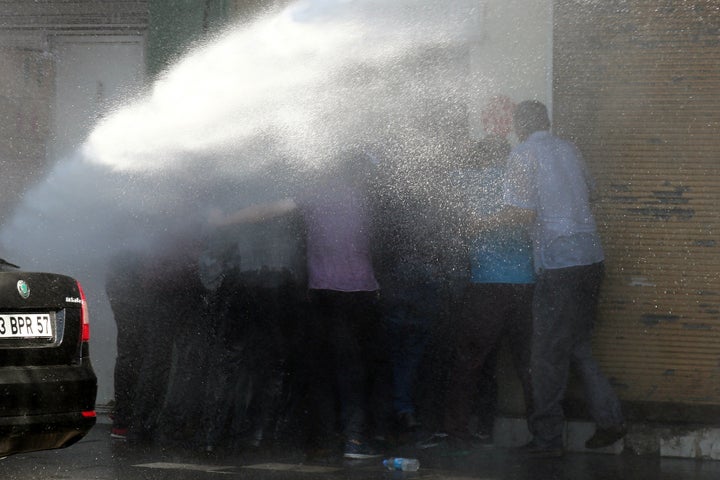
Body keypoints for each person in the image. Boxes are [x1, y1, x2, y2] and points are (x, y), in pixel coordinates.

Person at [209, 153, 388, 460]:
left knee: (324, 367)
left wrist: (224, 220)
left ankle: (326, 439)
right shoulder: (369, 200)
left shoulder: (316, 197)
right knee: (355, 368)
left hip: (322, 292)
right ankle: (355, 440)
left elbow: (265, 211)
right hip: (359, 294)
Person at [483, 100, 625, 457]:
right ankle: (610, 420)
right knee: (577, 345)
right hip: (591, 259)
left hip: (558, 264)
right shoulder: (570, 149)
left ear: (519, 125)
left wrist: (479, 223)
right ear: (546, 121)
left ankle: (547, 441)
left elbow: (520, 211)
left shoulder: (522, 155)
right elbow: (591, 194)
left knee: (545, 354)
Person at [439, 135, 535, 449]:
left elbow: (442, 177)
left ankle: (458, 432)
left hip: (486, 285)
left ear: (481, 159)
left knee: (469, 361)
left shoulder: (470, 181)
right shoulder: (518, 183)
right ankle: (543, 435)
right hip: (525, 284)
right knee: (528, 364)